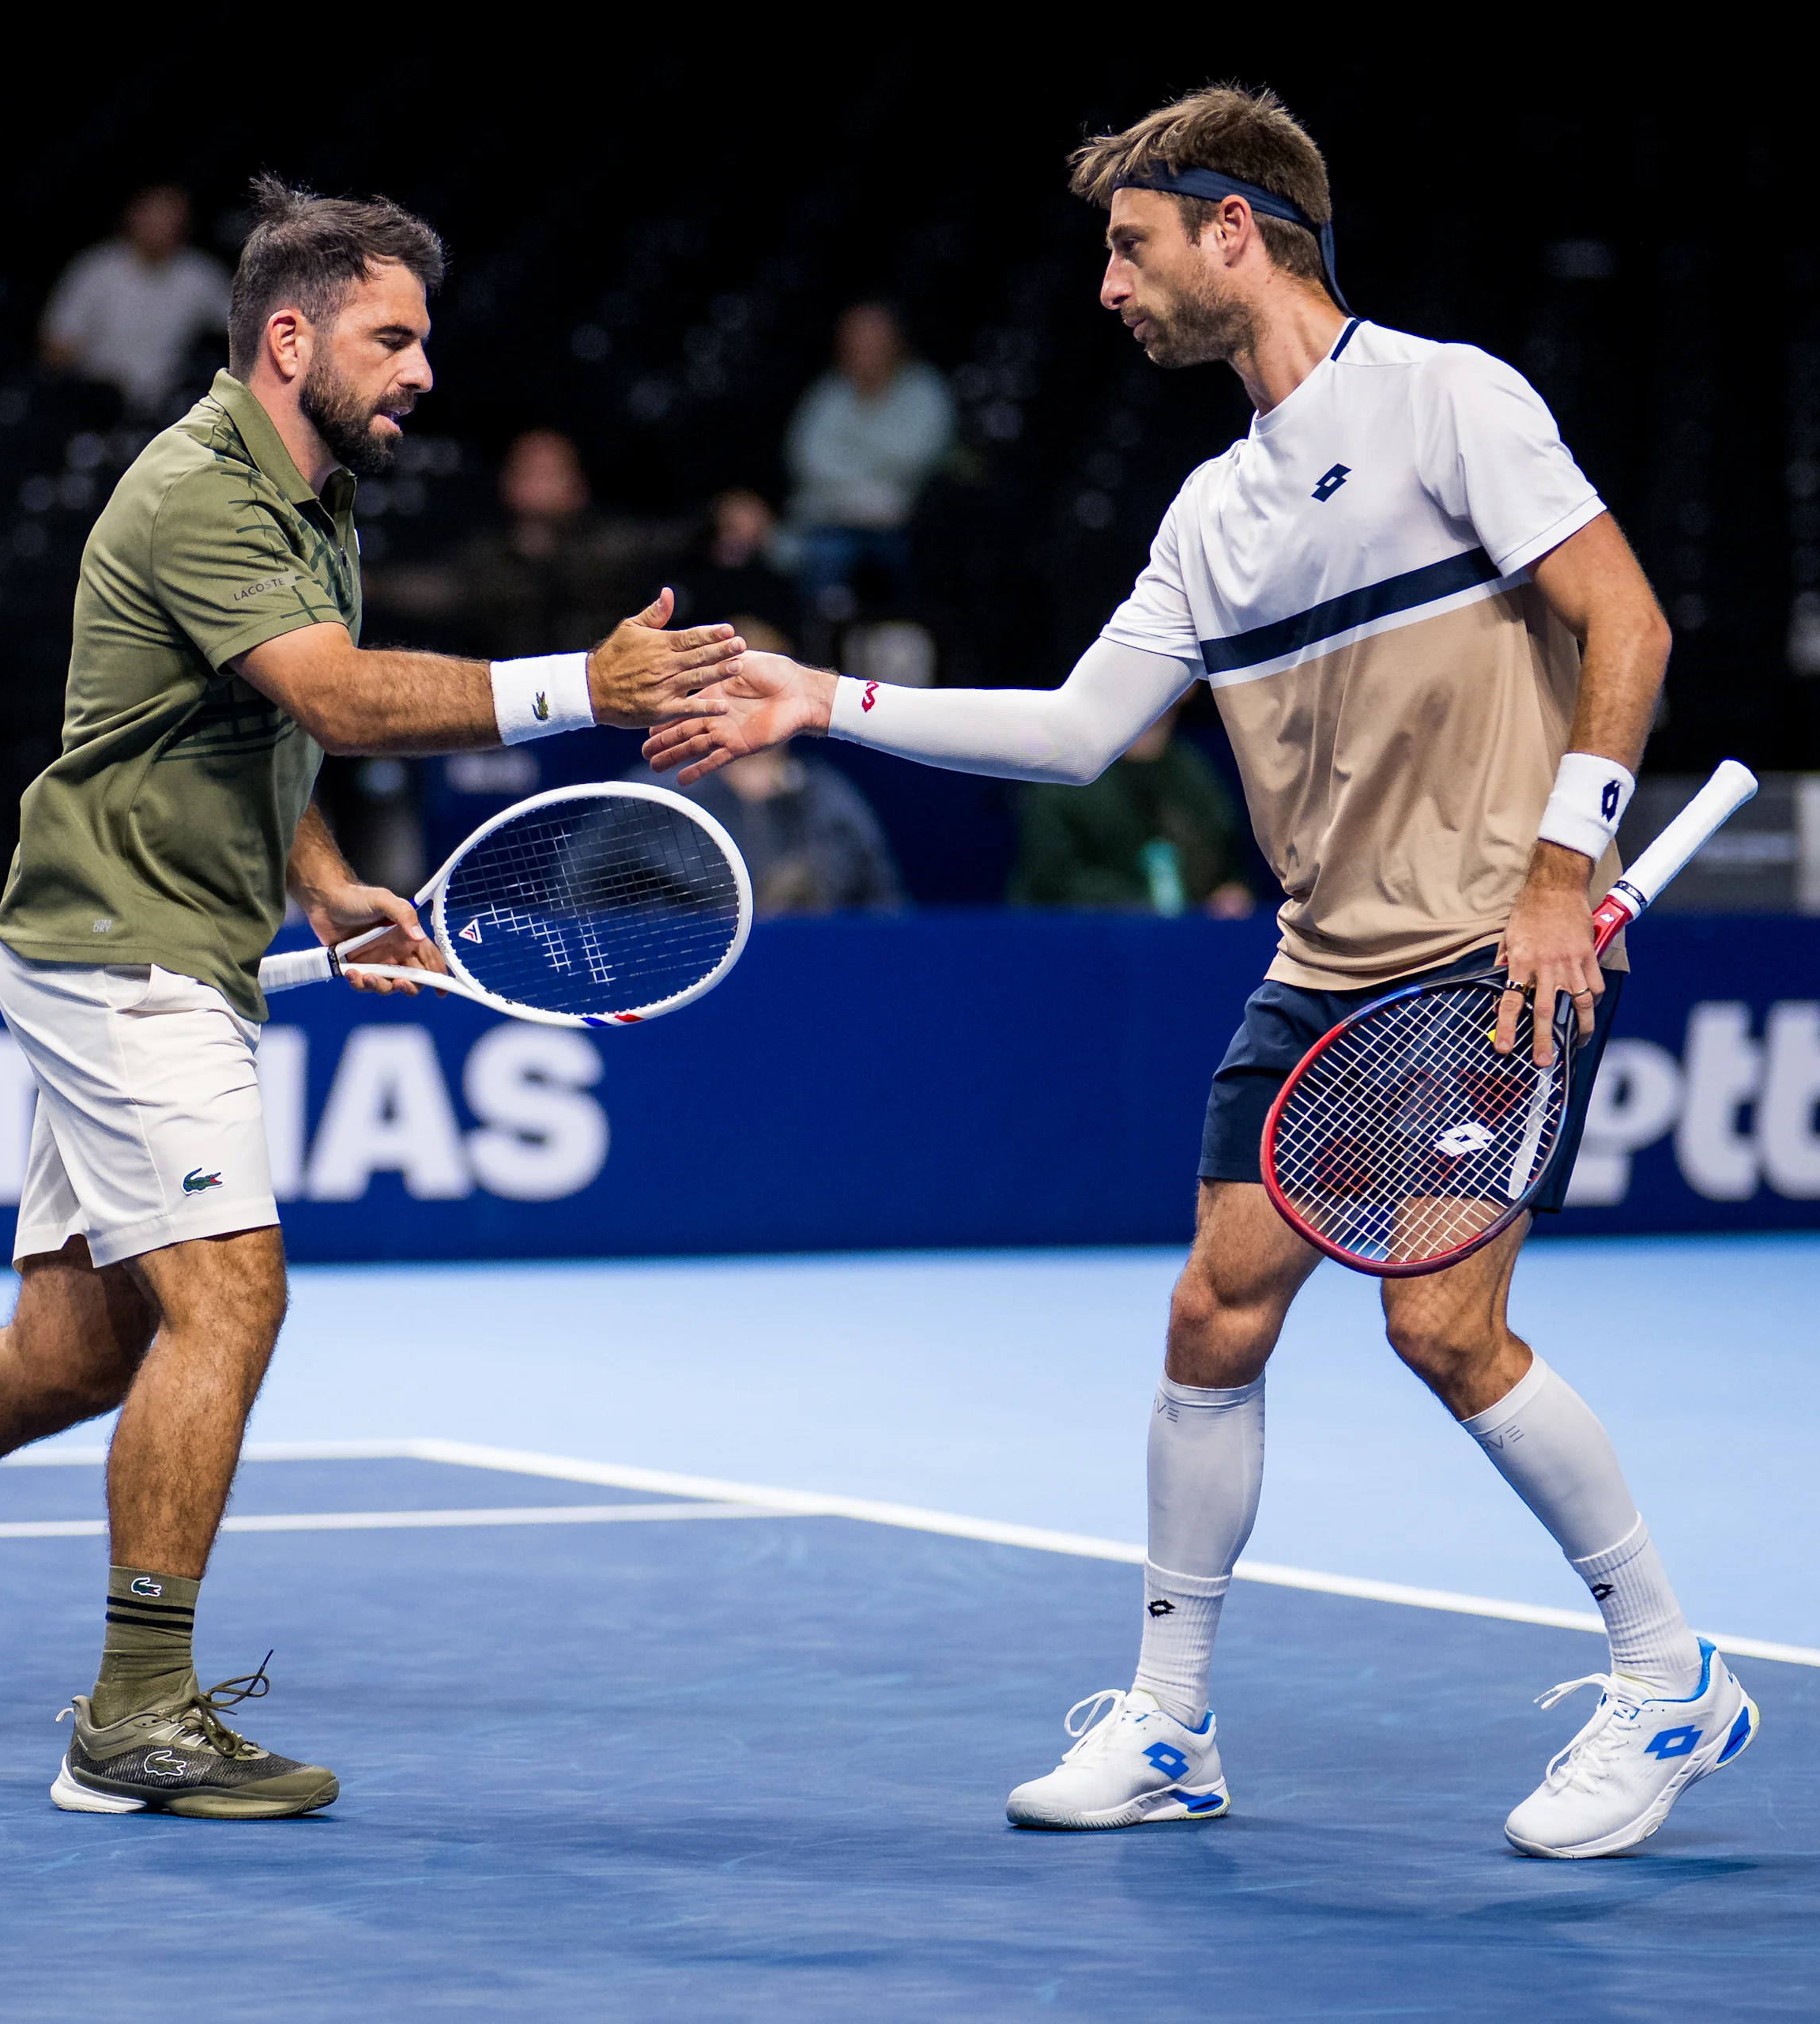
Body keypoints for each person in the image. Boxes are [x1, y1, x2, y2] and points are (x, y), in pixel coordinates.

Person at [650, 87, 1747, 1859]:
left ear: (1237, 229)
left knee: (1436, 1326)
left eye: (1130, 244)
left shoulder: (1449, 401)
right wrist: (823, 697)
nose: (1108, 286)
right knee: (1210, 1309)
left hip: (1490, 953)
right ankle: (1171, 1724)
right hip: (1323, 961)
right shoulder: (1211, 511)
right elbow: (1083, 730)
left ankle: (1671, 1668)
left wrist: (1565, 861)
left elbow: (1627, 617)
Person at [0, 175, 741, 1820]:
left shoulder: (315, 495)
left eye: (425, 336)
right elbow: (336, 694)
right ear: (289, 338)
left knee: (68, 1351)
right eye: (393, 336)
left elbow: (252, 720)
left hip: (163, 935)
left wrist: (326, 882)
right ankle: (135, 1708)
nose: (424, 368)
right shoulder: (204, 486)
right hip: (120, 953)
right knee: (233, 1298)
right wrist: (588, 682)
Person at [647, 621, 902, 914]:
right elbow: (585, 895)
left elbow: (887, 909)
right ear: (709, 684)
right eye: (737, 680)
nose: (754, 698)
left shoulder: (832, 798)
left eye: (766, 683)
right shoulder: (659, 796)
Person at [371, 428, 676, 658]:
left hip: (602, 712)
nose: (534, 484)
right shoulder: (486, 557)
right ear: (507, 483)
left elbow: (672, 540)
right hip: (517, 713)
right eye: (525, 473)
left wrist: (713, 524)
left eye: (547, 475)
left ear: (577, 486)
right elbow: (440, 589)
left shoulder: (613, 545)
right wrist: (365, 585)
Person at [786, 302, 954, 621]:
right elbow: (808, 459)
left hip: (902, 523)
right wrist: (864, 483)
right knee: (822, 555)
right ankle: (822, 645)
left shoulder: (924, 392)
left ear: (896, 341)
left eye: (873, 339)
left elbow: (915, 457)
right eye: (854, 340)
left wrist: (852, 460)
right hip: (830, 519)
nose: (863, 349)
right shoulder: (828, 394)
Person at [1010, 701, 1253, 916]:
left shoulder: (1195, 771)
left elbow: (1228, 858)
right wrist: (1143, 905)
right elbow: (1051, 879)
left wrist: (1229, 892)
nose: (1149, 709)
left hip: (1183, 938)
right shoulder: (1068, 775)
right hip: (1080, 941)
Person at [41, 186, 236, 418]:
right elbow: (56, 345)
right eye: (152, 214)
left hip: (168, 408)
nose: (159, 225)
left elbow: (243, 326)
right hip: (95, 400)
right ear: (132, 216)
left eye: (169, 217)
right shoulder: (97, 269)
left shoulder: (198, 275)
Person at [671, 488, 797, 641]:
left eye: (753, 525)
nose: (738, 538)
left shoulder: (775, 585)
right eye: (733, 526)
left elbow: (788, 642)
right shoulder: (687, 578)